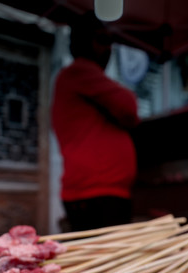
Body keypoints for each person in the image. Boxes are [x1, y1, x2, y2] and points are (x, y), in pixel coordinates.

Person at [51, 11, 140, 232]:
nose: (109, 48)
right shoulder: (79, 72)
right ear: (82, 43)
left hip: (100, 194)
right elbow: (129, 106)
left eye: (110, 41)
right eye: (102, 40)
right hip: (95, 195)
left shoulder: (83, 81)